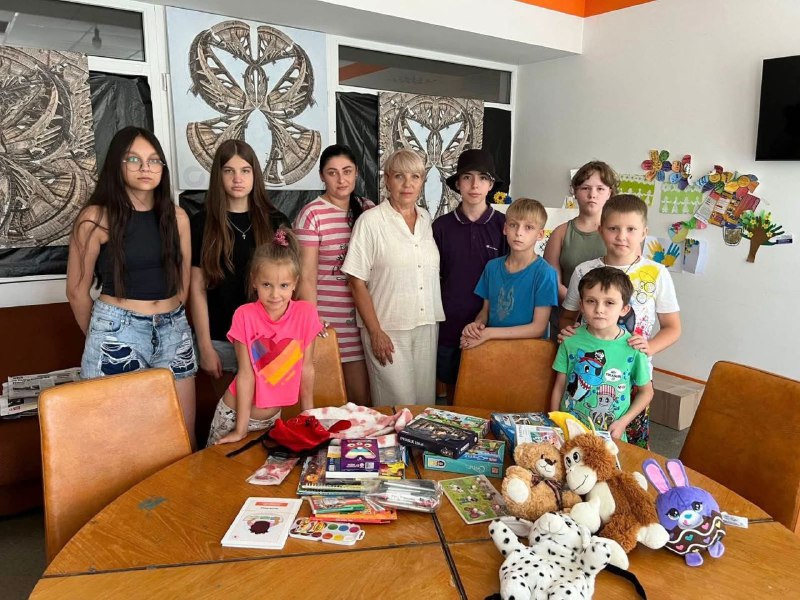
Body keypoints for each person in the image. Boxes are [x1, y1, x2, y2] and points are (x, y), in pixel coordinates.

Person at [66, 126, 198, 446]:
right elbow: (76, 291)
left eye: (154, 160)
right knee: (118, 444)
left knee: (182, 436)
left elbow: (183, 281)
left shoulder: (177, 217)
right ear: (118, 163)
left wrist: (171, 314)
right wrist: (103, 333)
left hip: (173, 328)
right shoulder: (96, 217)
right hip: (117, 329)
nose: (145, 168)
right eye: (134, 159)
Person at [560, 194, 681, 447]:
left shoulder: (657, 273)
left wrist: (649, 348)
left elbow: (672, 327)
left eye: (631, 229)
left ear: (644, 233)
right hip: (586, 371)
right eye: (613, 228)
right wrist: (566, 331)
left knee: (627, 445)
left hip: (634, 374)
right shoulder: (584, 271)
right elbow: (569, 316)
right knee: (576, 440)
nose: (621, 236)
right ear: (601, 230)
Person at [341, 149, 444, 406]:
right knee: (398, 405)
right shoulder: (370, 221)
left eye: (415, 177)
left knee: (424, 405)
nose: (407, 184)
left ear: (422, 181)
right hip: (387, 329)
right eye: (399, 176)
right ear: (387, 180)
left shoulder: (425, 219)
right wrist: (375, 332)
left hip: (426, 324)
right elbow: (356, 281)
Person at [189, 140, 290, 397]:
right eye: (229, 171)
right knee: (228, 414)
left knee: (266, 412)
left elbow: (289, 284)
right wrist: (205, 346)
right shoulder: (201, 224)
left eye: (245, 170)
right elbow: (197, 289)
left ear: (255, 174)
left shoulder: (276, 222)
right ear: (218, 175)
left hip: (267, 340)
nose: (237, 178)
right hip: (220, 340)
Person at [207, 228, 322, 445]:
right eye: (266, 285)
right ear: (254, 281)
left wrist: (309, 419)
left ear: (295, 283)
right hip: (233, 415)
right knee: (216, 464)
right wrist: (240, 430)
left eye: (284, 285)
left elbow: (306, 369)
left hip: (271, 419)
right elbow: (246, 374)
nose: (275, 294)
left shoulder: (306, 314)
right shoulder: (244, 316)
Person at [294, 145, 374, 405]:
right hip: (327, 323)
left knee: (363, 400)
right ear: (322, 176)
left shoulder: (368, 209)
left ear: (357, 173)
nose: (341, 179)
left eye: (347, 171)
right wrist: (312, 321)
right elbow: (306, 277)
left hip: (363, 321)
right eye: (332, 173)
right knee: (328, 401)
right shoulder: (311, 214)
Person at [433, 149, 507, 402]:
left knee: (487, 391)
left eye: (483, 178)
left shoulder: (504, 225)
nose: (475, 185)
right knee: (452, 391)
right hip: (450, 322)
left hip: (491, 324)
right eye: (467, 177)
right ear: (458, 183)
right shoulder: (441, 227)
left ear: (491, 185)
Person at [550, 267, 653, 440]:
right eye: (591, 301)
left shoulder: (634, 348)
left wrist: (623, 423)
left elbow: (646, 392)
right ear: (581, 305)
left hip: (610, 437)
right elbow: (559, 386)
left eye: (609, 303)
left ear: (624, 309)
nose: (599, 309)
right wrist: (554, 422)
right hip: (568, 432)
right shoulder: (570, 340)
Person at [461, 198, 558, 349]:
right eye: (513, 225)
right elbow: (485, 311)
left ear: (540, 235)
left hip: (529, 352)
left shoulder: (545, 273)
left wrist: (489, 333)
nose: (519, 233)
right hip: (492, 348)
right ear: (505, 229)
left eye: (528, 227)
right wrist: (477, 327)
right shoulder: (492, 267)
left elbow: (538, 327)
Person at [544, 161, 617, 337]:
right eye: (585, 188)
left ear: (609, 193)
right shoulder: (560, 233)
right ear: (575, 192)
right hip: (567, 322)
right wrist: (580, 304)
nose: (592, 194)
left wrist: (595, 307)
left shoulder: (618, 233)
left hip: (607, 322)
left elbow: (630, 274)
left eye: (600, 189)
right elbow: (552, 281)